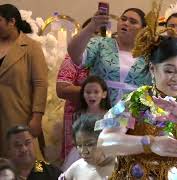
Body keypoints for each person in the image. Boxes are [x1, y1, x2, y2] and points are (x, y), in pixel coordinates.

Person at [94, 3, 177, 178]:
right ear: (152, 69)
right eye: (169, 71)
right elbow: (104, 142)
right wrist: (149, 143)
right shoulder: (134, 101)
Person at [68, 6, 151, 105]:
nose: (126, 23)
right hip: (99, 110)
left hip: (132, 114)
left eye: (133, 22)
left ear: (143, 29)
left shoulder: (148, 53)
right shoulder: (100, 44)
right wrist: (91, 26)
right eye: (123, 19)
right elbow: (74, 54)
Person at [0, 4, 48, 157]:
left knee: (20, 159)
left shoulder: (31, 47)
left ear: (12, 22)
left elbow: (40, 83)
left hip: (18, 113)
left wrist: (37, 116)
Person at [56, 18, 98, 164]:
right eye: (92, 32)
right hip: (77, 119)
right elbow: (62, 89)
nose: (95, 38)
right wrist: (95, 93)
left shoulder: (107, 59)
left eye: (99, 34)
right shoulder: (72, 58)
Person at [59, 114, 115, 180]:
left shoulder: (121, 167)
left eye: (90, 144)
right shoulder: (77, 167)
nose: (84, 151)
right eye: (79, 146)